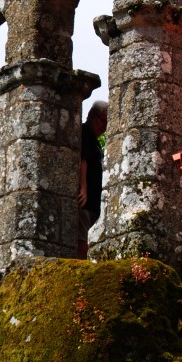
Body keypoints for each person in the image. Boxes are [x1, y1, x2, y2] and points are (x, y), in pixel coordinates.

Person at [77, 101, 108, 259]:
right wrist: (84, 188)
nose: (104, 127)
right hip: (85, 202)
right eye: (103, 121)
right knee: (82, 243)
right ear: (91, 116)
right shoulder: (84, 133)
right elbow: (83, 160)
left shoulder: (95, 142)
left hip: (94, 204)